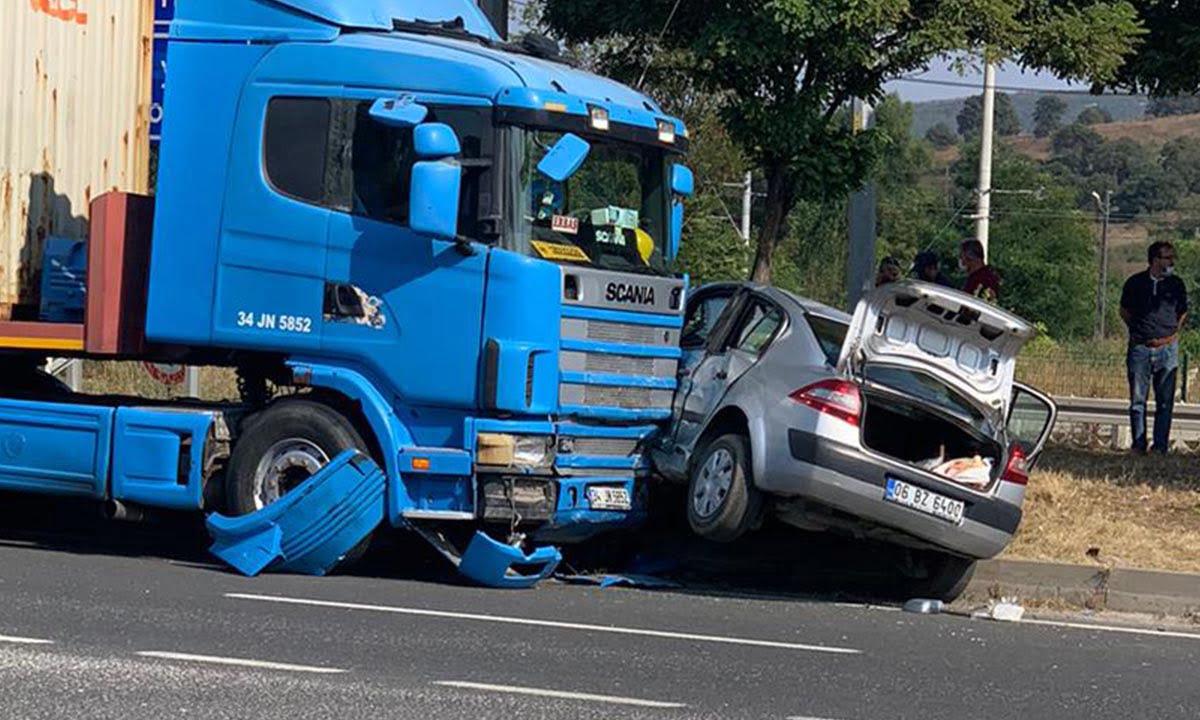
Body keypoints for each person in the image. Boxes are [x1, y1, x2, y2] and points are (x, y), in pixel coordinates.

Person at [1120, 241, 1188, 455]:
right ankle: (1138, 444)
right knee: (1138, 401)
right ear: (1155, 260)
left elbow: (1182, 312)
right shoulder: (1135, 283)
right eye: (1167, 257)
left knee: (1165, 402)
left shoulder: (1176, 285)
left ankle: (1160, 446)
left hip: (1167, 347)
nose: (1171, 262)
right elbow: (1124, 311)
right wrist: (1140, 331)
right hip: (1140, 348)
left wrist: (1170, 332)